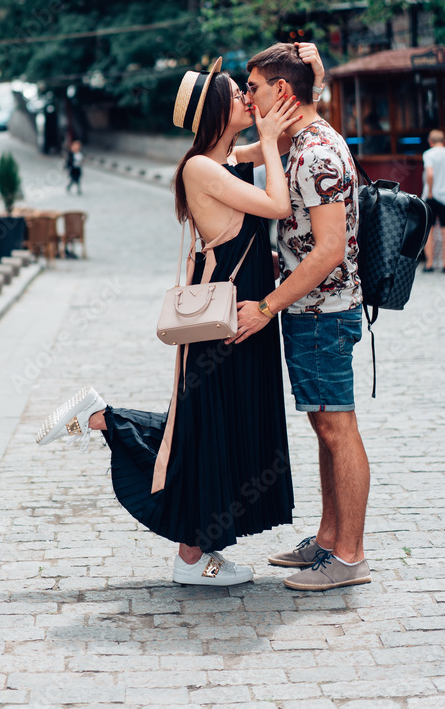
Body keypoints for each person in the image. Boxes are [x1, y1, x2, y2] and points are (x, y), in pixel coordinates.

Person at [36, 58, 304, 587]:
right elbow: (276, 204)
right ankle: (185, 549)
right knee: (208, 432)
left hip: (242, 316)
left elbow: (287, 138)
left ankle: (194, 547)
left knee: (216, 431)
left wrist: (304, 78)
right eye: (237, 95)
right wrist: (270, 140)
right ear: (214, 113)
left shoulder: (226, 159)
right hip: (223, 323)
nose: (248, 101)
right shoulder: (200, 168)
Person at [233, 43, 370, 592]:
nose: (249, 96)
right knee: (324, 427)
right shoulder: (303, 141)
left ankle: (350, 559)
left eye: (255, 88)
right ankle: (329, 541)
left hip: (323, 313)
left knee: (338, 428)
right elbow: (251, 156)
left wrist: (268, 306)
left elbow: (328, 250)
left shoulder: (315, 153)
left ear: (281, 93)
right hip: (315, 311)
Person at [422, 129, 445, 272]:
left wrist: (429, 191)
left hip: (431, 196)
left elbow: (429, 173)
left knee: (428, 231)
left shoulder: (428, 154)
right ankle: (444, 263)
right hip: (444, 197)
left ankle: (429, 263)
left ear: (430, 141)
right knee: (444, 230)